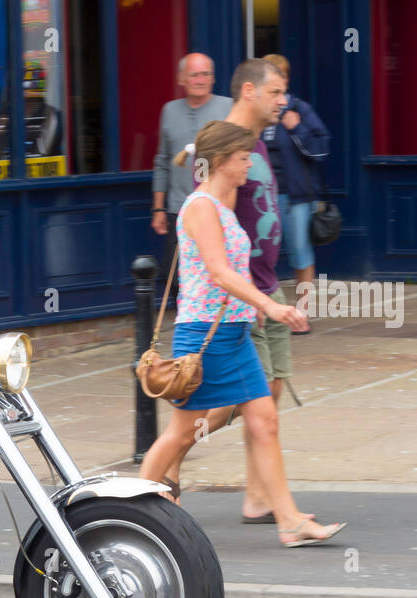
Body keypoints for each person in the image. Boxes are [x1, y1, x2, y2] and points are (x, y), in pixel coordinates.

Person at [137, 121, 345, 548]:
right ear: (223, 162)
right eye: (244, 157)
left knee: (264, 421)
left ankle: (289, 521)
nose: (250, 162)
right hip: (202, 339)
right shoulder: (200, 208)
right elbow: (218, 271)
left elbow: (233, 273)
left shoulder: (224, 207)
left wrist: (252, 310)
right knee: (182, 432)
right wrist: (267, 304)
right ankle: (130, 510)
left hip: (234, 334)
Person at [162, 59, 299, 523]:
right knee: (223, 409)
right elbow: (217, 247)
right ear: (249, 91)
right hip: (233, 304)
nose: (283, 101)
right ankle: (161, 480)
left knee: (267, 398)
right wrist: (257, 300)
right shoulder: (228, 148)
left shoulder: (254, 145)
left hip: (260, 293)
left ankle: (263, 499)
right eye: (276, 92)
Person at [152, 53, 233, 293]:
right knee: (176, 277)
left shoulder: (228, 107)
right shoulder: (169, 110)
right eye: (194, 74)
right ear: (181, 79)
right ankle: (188, 326)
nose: (200, 79)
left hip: (219, 209)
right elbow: (162, 161)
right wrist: (158, 208)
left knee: (215, 274)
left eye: (206, 74)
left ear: (213, 78)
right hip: (180, 209)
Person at [261, 53, 330, 329]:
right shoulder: (259, 112)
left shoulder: (299, 109)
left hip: (294, 196)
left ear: (286, 79)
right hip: (262, 196)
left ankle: (302, 314)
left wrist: (296, 127)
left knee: (300, 253)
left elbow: (322, 147)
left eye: (277, 75)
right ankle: (269, 312)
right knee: (264, 255)